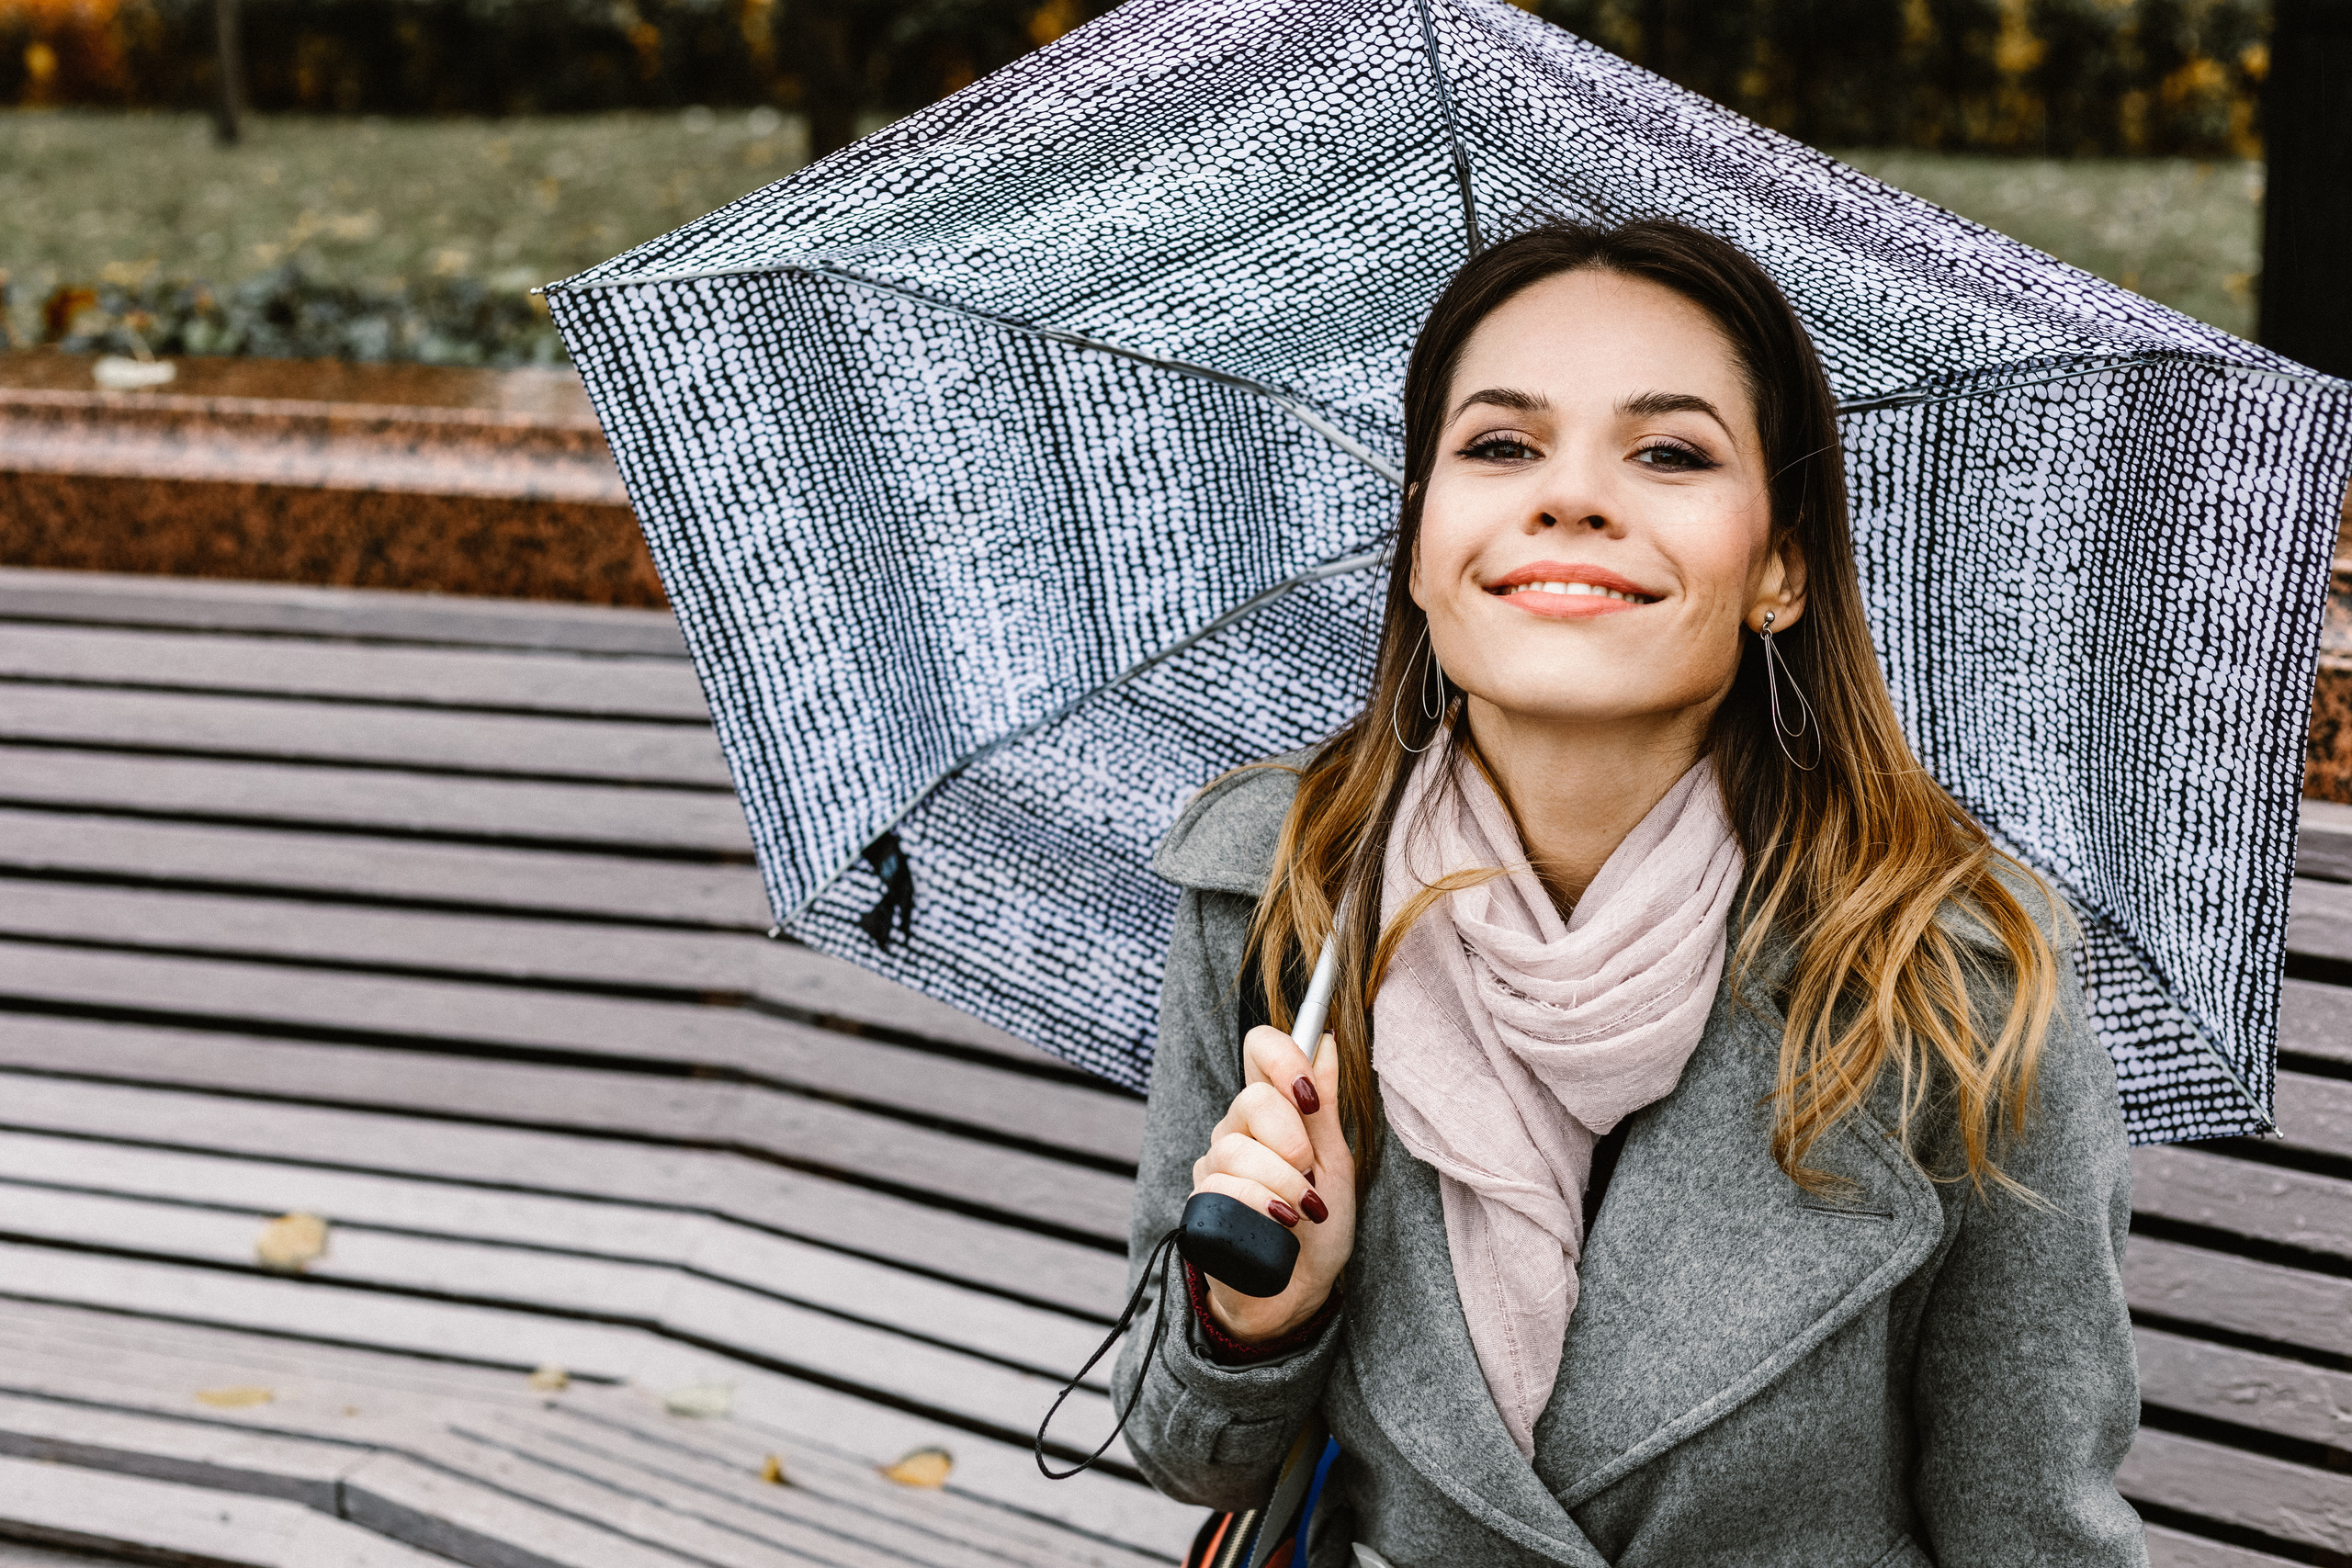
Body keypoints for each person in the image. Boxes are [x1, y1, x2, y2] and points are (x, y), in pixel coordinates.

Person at [1111, 219, 2142, 1568]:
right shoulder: (1280, 902)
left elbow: (2037, 1538)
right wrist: (1264, 1317)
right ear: (1422, 550)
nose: (1573, 497)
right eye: (1498, 445)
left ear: (1779, 567)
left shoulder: (1951, 980)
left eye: (1668, 452)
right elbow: (1187, 1449)